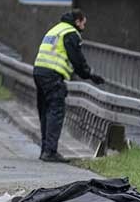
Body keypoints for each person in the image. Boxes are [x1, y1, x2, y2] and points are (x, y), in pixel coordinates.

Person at [31, 8, 105, 162]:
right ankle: (50, 152)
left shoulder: (56, 29)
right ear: (77, 21)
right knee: (56, 110)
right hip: (52, 75)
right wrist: (89, 74)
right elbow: (76, 59)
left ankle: (45, 149)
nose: (84, 27)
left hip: (39, 71)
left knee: (45, 110)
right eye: (83, 24)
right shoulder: (70, 33)